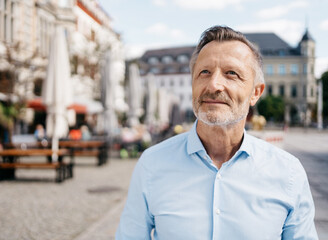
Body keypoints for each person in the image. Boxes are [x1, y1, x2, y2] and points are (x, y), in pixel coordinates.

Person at [116, 26, 318, 240]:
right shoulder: (152, 164)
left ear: (255, 93)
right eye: (204, 72)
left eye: (231, 73)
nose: (214, 85)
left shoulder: (288, 173)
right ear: (193, 82)